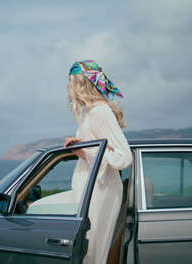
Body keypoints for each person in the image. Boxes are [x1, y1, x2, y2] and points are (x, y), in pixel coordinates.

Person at [63, 60, 132, 264]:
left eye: (70, 82)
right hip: (92, 189)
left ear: (80, 83)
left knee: (91, 251)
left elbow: (123, 156)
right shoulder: (90, 113)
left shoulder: (99, 112)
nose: (68, 88)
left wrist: (83, 152)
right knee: (88, 249)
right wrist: (81, 148)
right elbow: (99, 150)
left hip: (100, 190)